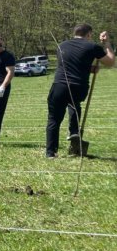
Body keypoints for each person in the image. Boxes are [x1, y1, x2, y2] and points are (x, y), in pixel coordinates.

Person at [45, 25, 114, 158]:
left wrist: (90, 68)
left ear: (74, 33)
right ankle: (74, 131)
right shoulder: (92, 46)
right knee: (74, 103)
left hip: (59, 85)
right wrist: (107, 44)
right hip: (79, 87)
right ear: (88, 34)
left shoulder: (61, 45)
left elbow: (69, 65)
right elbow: (110, 62)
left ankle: (50, 153)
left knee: (53, 118)